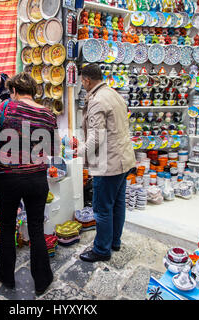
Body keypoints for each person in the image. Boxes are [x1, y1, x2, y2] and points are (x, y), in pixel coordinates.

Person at [0, 72, 58, 295]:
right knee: (36, 227)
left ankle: (7, 276)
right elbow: (53, 149)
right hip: (36, 177)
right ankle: (42, 280)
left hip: (9, 177)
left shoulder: (6, 107)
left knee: (7, 226)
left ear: (14, 91)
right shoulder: (47, 114)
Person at [77, 63, 136, 263]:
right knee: (117, 204)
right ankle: (114, 242)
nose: (82, 84)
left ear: (86, 80)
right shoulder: (113, 93)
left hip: (108, 163)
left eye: (82, 81)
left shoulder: (97, 100)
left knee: (102, 208)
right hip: (123, 159)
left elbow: (95, 139)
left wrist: (78, 154)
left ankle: (102, 250)